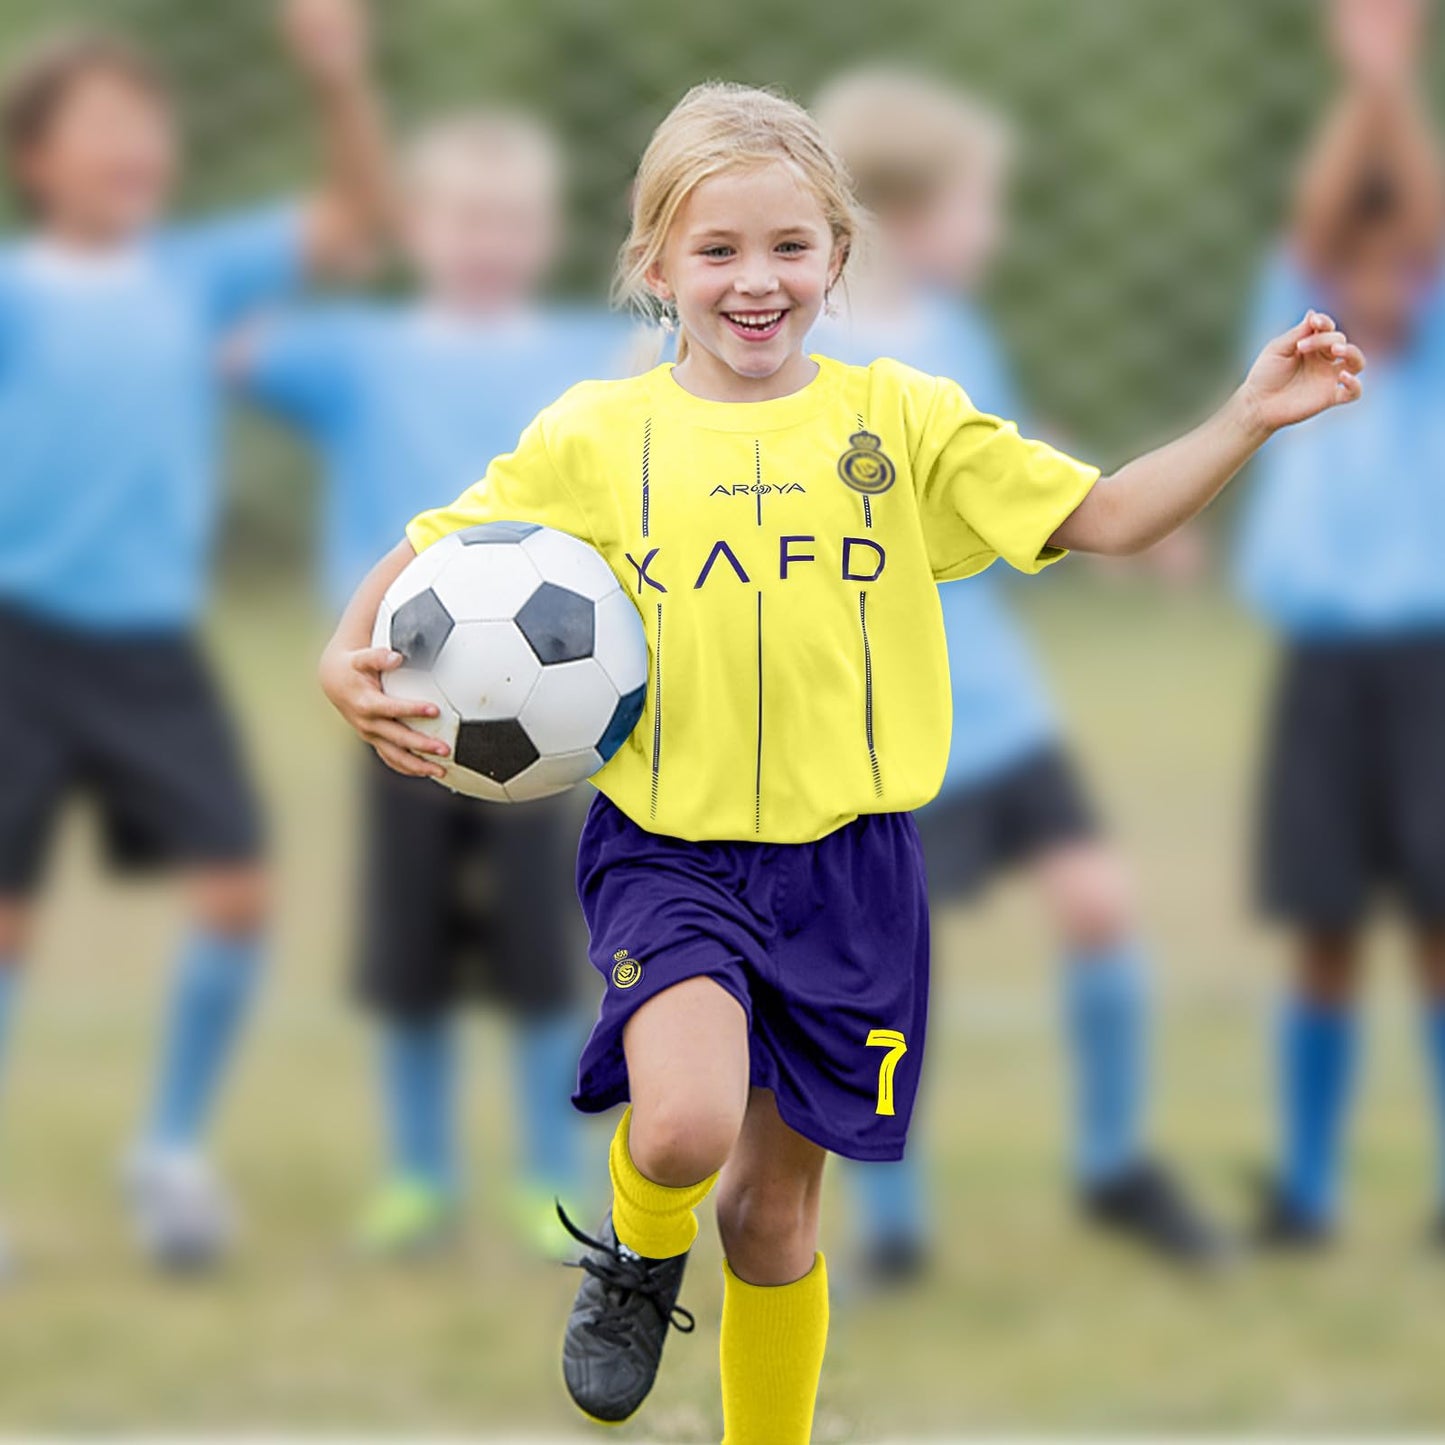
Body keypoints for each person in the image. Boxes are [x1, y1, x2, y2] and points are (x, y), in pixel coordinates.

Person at [319, 79, 1361, 1442]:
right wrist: (349, 645)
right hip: (672, 850)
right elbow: (443, 544)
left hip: (852, 871)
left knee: (771, 1214)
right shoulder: (598, 434)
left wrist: (1243, 418)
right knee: (683, 1130)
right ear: (654, 268)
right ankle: (635, 1252)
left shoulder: (904, 422)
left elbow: (1102, 515)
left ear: (839, 258)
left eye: (789, 248)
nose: (757, 281)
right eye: (718, 251)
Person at [811, 68, 1225, 1282]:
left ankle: (1113, 1165)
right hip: (893, 725)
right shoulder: (807, 361)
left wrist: (1128, 519)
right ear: (907, 207)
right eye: (980, 203)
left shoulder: (956, 337)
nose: (992, 231)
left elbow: (1008, 445)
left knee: (1097, 902)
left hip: (1001, 705)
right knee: (894, 972)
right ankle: (892, 1223)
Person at [0, 0, 387, 1272]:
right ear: (35, 158)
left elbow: (355, 222)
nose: (135, 145)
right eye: (103, 124)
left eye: (149, 124)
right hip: (19, 638)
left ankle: (168, 1151)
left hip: (151, 645)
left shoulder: (196, 272)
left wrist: (335, 76)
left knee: (237, 893)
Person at [232, 110, 631, 1259]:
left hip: (550, 719)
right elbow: (228, 340)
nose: (485, 240)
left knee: (540, 952)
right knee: (406, 950)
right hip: (397, 706)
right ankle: (417, 1171)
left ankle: (542, 1175)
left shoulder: (586, 357)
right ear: (417, 228)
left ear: (545, 232)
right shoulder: (363, 349)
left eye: (509, 220)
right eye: (461, 218)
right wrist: (312, 247)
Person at [1235, 0, 1445, 1248]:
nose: (1374, 279)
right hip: (1320, 664)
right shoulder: (1308, 336)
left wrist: (1389, 84)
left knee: (1435, 926)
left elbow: (1412, 216)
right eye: (1351, 266)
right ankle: (1306, 1191)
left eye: (1398, 259)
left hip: (1429, 667)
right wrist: (1360, 86)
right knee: (1321, 925)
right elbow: (1320, 223)